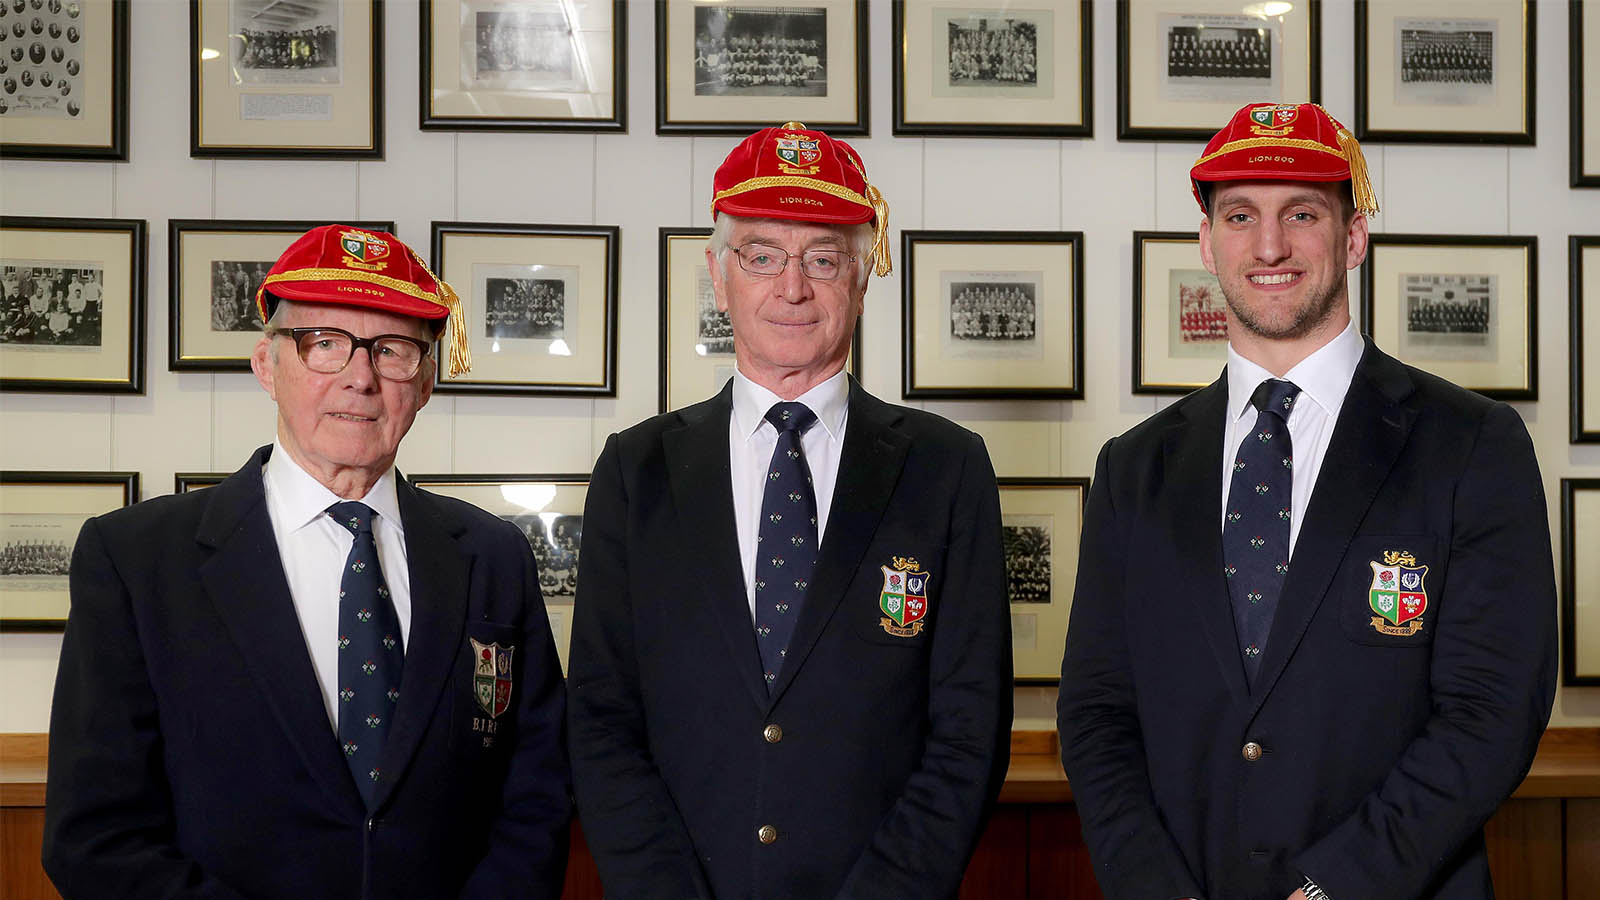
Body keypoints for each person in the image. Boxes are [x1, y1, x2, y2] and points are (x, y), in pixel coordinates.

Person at [1058, 102, 1558, 900]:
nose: (1269, 246)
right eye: (1240, 216)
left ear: (1353, 238)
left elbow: (1492, 711)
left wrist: (1332, 889)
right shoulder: (1135, 468)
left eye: (1301, 214)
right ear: (1207, 241)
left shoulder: (1473, 444)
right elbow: (1096, 713)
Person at [43, 225, 571, 899]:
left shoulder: (493, 555)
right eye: (325, 344)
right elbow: (95, 836)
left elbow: (537, 796)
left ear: (425, 382)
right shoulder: (136, 559)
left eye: (393, 350)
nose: (361, 377)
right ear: (267, 365)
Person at [568, 122, 1013, 898]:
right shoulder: (636, 471)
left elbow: (969, 731)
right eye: (762, 256)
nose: (793, 287)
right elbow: (602, 719)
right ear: (719, 276)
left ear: (862, 278)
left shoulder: (947, 467)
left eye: (823, 259)